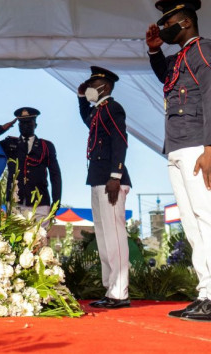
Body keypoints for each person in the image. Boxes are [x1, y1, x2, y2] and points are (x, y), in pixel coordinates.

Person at [147, 0, 211, 322]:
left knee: (210, 217)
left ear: (184, 22)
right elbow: (167, 78)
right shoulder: (180, 56)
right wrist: (155, 50)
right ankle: (207, 293)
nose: (163, 28)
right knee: (193, 223)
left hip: (200, 146)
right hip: (178, 146)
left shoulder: (203, 48)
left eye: (167, 24)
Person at [77, 66, 132, 309]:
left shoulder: (113, 108)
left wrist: (115, 175)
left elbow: (120, 140)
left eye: (94, 82)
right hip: (98, 178)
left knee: (114, 236)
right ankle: (111, 289)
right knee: (102, 235)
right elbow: (87, 120)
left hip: (111, 179)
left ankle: (120, 292)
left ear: (105, 86)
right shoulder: (98, 111)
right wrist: (81, 98)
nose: (90, 86)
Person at [0, 108, 62, 217]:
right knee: (14, 234)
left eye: (29, 122)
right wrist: (2, 128)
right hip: (15, 203)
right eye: (22, 123)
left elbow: (55, 175)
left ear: (35, 125)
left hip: (40, 204)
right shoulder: (10, 143)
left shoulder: (46, 146)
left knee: (39, 234)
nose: (25, 126)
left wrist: (56, 202)